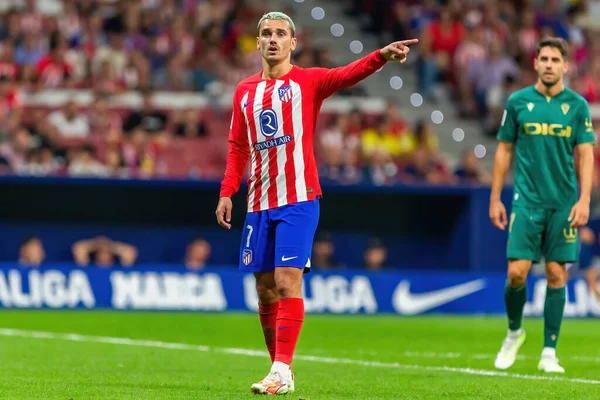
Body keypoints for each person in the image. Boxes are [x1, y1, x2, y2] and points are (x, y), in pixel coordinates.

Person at [215, 11, 417, 395]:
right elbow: (238, 146)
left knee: (287, 280)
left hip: (299, 199)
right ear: (257, 43)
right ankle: (278, 368)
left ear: (294, 43)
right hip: (258, 201)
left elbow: (347, 73)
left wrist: (380, 56)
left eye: (280, 34)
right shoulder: (244, 91)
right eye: (266, 34)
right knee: (263, 289)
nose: (273, 39)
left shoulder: (308, 81)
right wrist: (228, 191)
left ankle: (282, 368)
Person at [489, 37, 595, 374]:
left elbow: (587, 153)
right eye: (544, 58)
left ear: (566, 65)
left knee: (555, 273)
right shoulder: (518, 102)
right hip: (527, 200)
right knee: (516, 273)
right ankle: (514, 331)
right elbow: (504, 149)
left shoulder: (577, 106)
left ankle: (549, 351)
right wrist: (495, 198)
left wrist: (584, 199)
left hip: (564, 203)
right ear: (535, 63)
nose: (549, 64)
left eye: (555, 59)